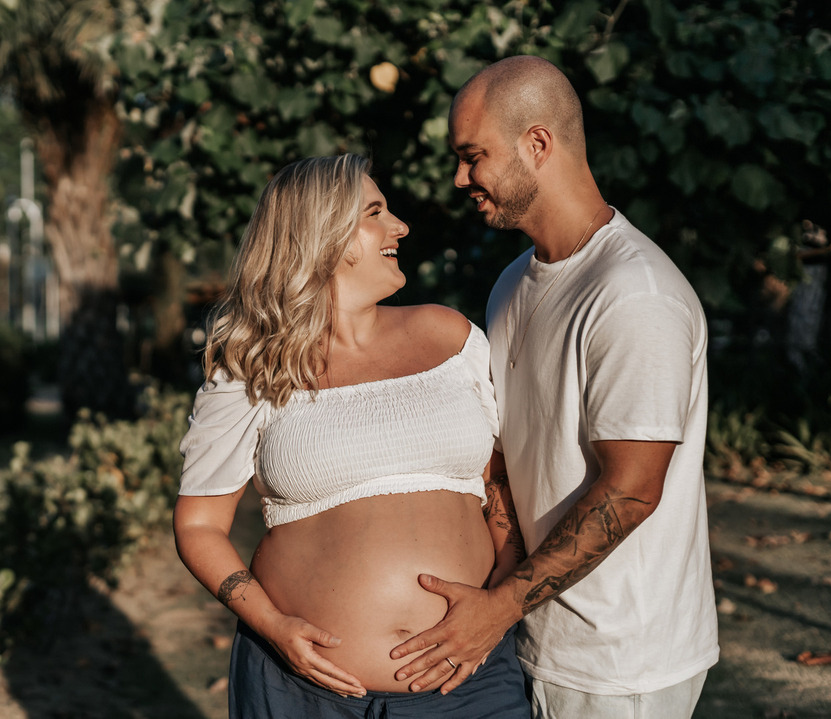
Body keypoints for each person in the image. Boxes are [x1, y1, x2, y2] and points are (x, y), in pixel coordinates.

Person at [387, 55, 719, 716]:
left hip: (623, 663)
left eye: (472, 156)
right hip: (530, 634)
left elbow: (630, 488)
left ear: (537, 143)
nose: (460, 178)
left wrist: (496, 608)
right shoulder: (512, 285)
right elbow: (511, 460)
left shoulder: (633, 293)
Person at [173, 153, 531, 718]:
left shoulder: (452, 336)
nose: (401, 227)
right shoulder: (254, 365)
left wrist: (493, 610)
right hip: (303, 691)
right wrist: (273, 625)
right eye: (375, 213)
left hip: (467, 685)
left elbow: (503, 487)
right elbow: (198, 526)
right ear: (323, 238)